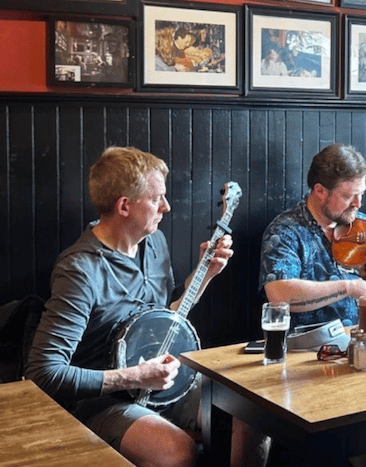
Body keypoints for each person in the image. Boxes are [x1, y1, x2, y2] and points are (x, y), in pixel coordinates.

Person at [25, 146, 264, 467]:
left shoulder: (154, 243)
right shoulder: (80, 270)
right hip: (102, 400)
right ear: (124, 205)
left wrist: (205, 273)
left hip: (160, 382)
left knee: (251, 416)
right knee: (176, 452)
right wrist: (135, 377)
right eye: (156, 198)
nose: (166, 206)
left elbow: (166, 316)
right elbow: (43, 373)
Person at [260, 143, 366, 333]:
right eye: (349, 196)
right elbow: (280, 294)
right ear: (320, 191)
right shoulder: (285, 231)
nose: (358, 203)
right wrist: (348, 287)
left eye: (361, 194)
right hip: (311, 347)